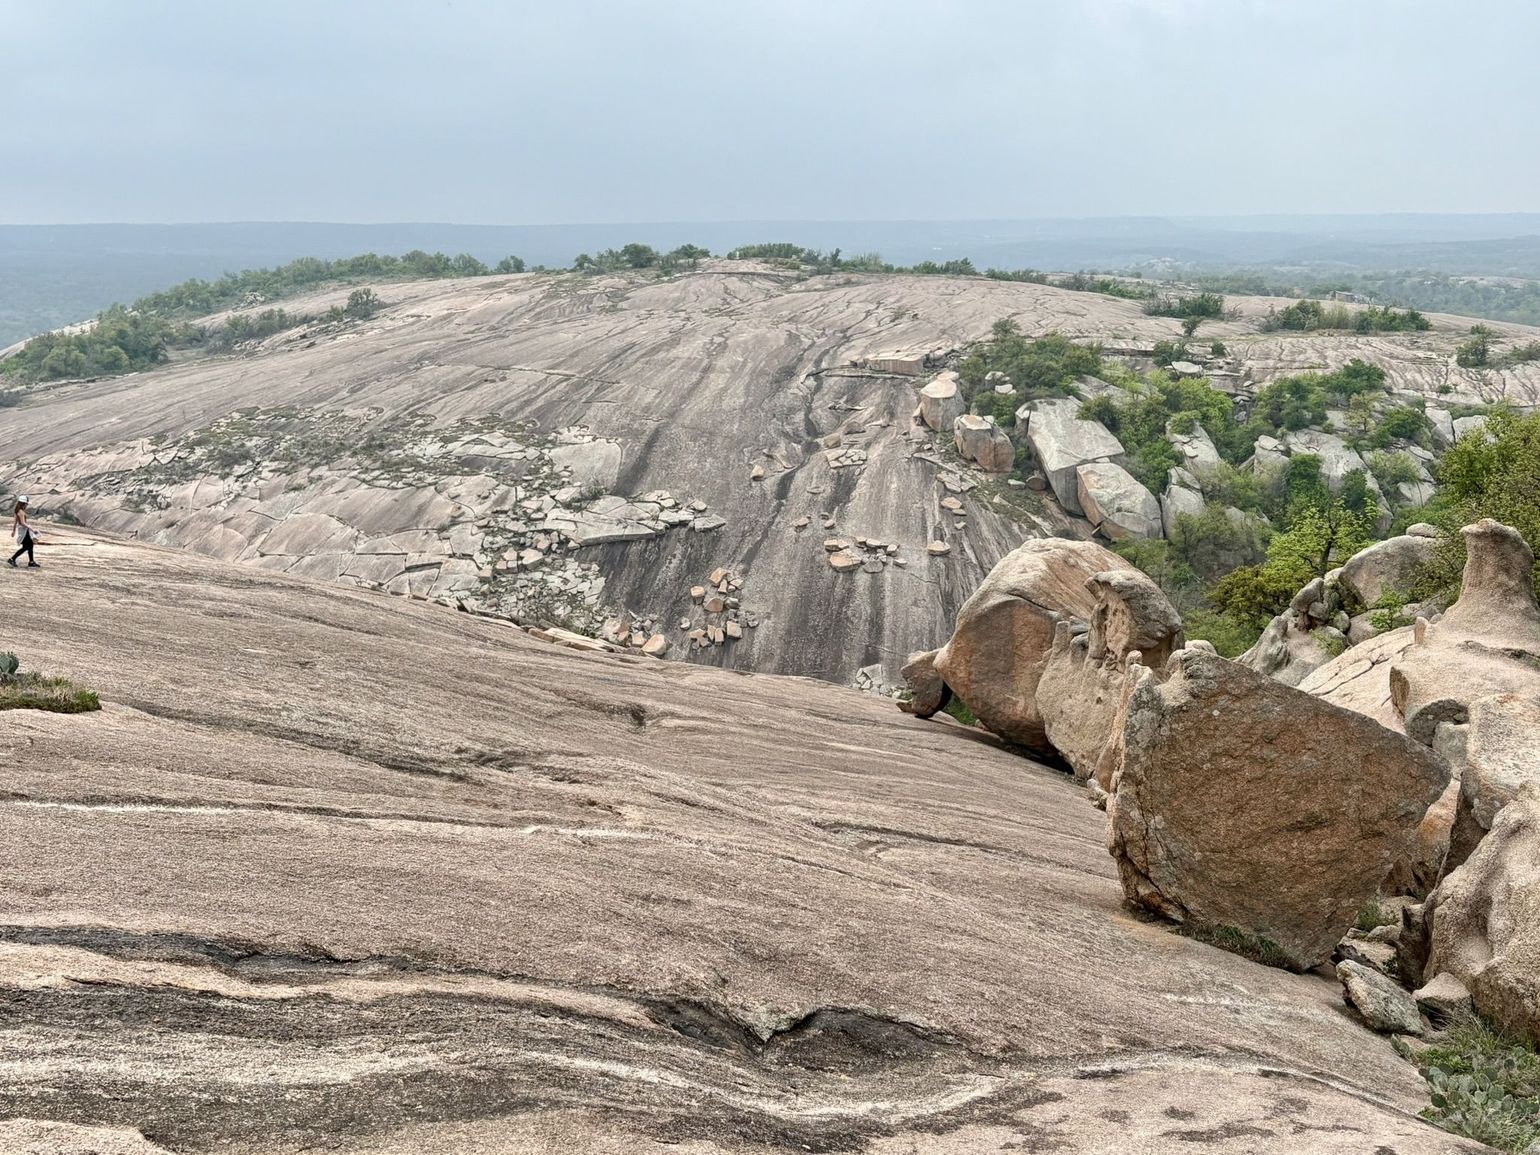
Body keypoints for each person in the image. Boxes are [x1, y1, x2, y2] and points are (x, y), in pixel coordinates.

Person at [8, 496, 38, 568]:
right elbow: (23, 523)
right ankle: (12, 559)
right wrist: (32, 529)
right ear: (23, 504)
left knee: (29, 545)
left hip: (22, 530)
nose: (26, 505)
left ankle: (31, 562)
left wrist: (14, 531)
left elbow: (15, 522)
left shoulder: (17, 510)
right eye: (26, 504)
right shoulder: (21, 512)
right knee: (27, 547)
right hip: (24, 531)